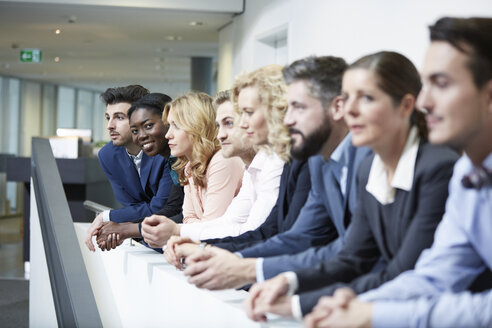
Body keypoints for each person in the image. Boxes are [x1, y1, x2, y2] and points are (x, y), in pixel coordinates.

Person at [302, 16, 492, 328]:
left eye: (441, 84)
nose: (425, 101)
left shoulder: (439, 168)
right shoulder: (465, 173)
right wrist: (357, 306)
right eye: (425, 83)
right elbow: (435, 276)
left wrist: (372, 315)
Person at [244, 51, 458, 321]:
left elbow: (403, 271)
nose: (349, 110)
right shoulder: (369, 167)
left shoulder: (439, 168)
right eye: (347, 98)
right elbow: (352, 257)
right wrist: (289, 281)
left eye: (366, 98)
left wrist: (300, 305)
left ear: (405, 106)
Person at [171, 56, 371, 292]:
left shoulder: (354, 160)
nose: (288, 119)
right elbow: (297, 236)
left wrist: (237, 265)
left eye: (296, 107)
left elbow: (352, 252)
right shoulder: (316, 161)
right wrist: (214, 254)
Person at [142, 89, 287, 247]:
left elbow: (251, 232)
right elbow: (221, 222)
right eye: (219, 125)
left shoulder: (230, 160)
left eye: (229, 123)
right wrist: (180, 232)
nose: (220, 135)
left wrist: (183, 236)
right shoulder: (192, 166)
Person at [140, 92, 244, 245]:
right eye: (169, 126)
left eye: (176, 126)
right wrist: (197, 226)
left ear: (197, 127)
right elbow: (187, 218)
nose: (168, 135)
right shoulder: (189, 166)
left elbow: (211, 228)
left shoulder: (223, 160)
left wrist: (192, 227)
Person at [84, 85, 174, 252]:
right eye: (108, 117)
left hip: (176, 236)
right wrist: (118, 230)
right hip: (146, 241)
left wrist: (107, 217)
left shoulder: (166, 149)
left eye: (119, 117)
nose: (110, 125)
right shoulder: (108, 155)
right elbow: (131, 206)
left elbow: (160, 207)